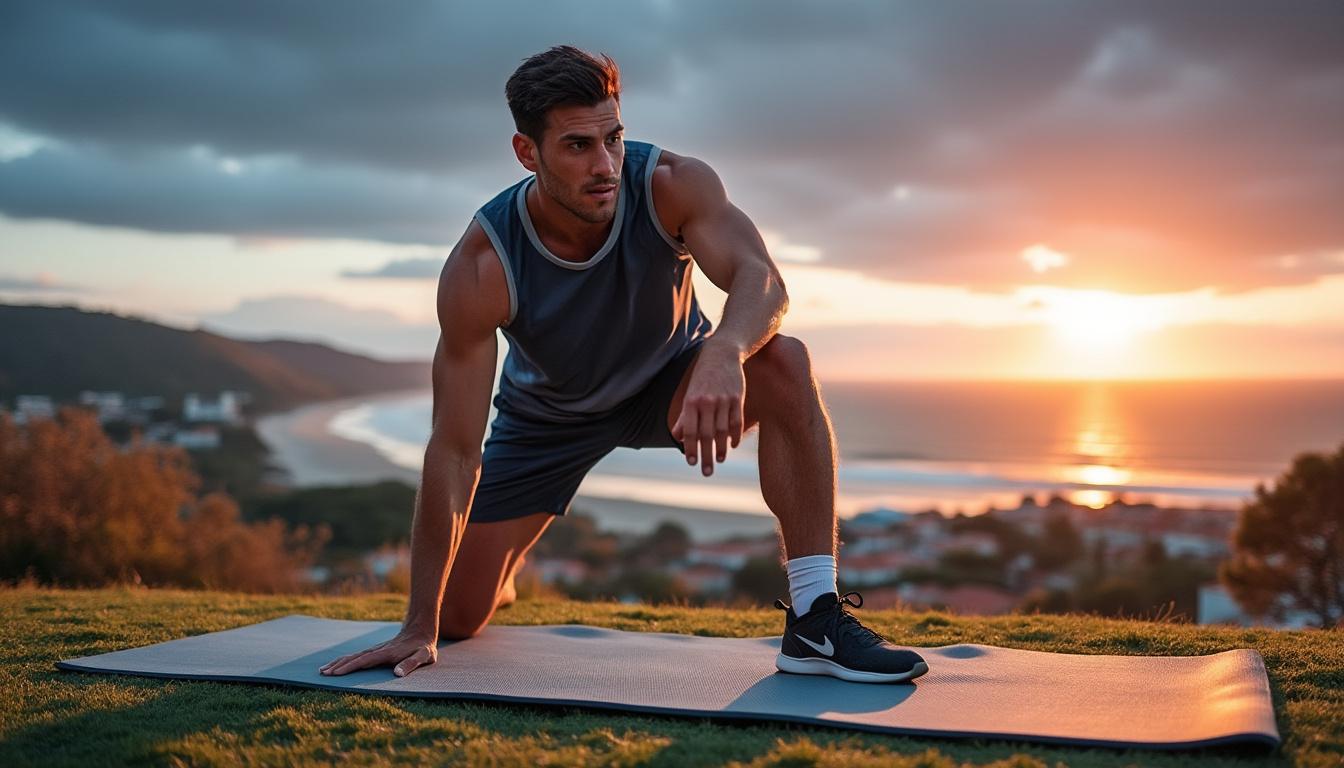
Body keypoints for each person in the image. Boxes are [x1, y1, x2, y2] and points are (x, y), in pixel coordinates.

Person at [320, 46, 927, 684]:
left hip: (674, 381)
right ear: (528, 153)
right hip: (547, 418)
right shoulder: (483, 264)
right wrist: (418, 625)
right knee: (460, 619)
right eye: (578, 146)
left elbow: (761, 278)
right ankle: (496, 580)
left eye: (613, 138)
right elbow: (452, 451)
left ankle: (814, 617)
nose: (606, 165)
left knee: (784, 361)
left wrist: (724, 349)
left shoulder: (671, 185)